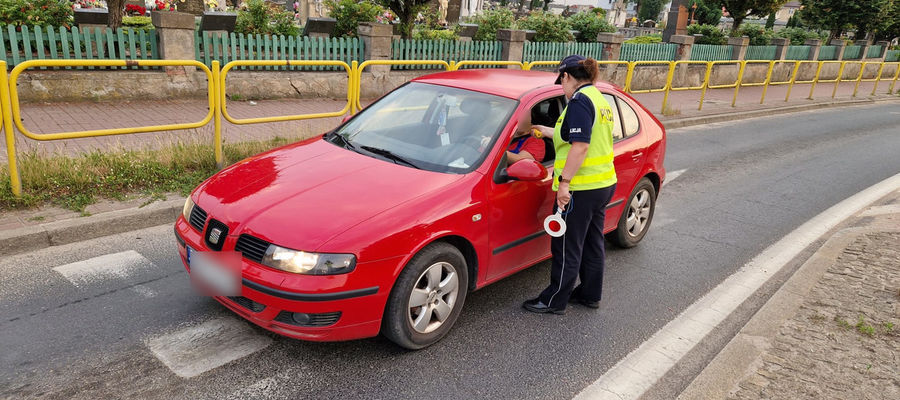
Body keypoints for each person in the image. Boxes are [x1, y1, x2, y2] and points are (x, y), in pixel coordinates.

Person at [523, 55, 617, 315]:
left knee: (566, 244)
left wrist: (564, 184)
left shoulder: (579, 101)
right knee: (591, 241)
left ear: (566, 76)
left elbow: (581, 145)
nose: (560, 86)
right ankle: (589, 294)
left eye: (560, 80)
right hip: (602, 183)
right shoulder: (598, 98)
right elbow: (576, 134)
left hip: (580, 188)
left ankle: (554, 301)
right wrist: (545, 129)